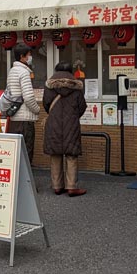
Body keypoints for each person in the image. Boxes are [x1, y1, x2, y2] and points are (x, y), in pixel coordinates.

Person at [42, 63, 88, 197]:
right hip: (71, 124)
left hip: (54, 123)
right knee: (71, 155)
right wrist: (73, 116)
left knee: (55, 154)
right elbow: (82, 107)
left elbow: (46, 104)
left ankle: (57, 186)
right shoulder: (76, 87)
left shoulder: (49, 86)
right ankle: (71, 187)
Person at [6, 44, 41, 165]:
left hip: (15, 118)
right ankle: (25, 182)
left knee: (16, 154)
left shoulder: (12, 71)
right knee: (26, 152)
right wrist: (37, 110)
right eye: (29, 55)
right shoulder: (24, 72)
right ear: (22, 56)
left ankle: (16, 181)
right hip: (25, 118)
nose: (30, 57)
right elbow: (28, 97)